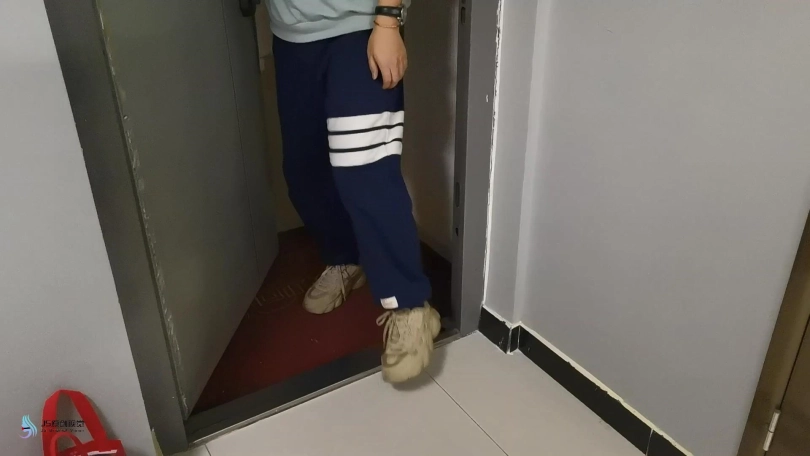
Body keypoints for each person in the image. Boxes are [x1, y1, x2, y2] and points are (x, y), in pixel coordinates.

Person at [265, 0, 440, 383]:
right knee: (305, 170)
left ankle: (409, 305)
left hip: (360, 27)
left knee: (365, 171)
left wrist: (388, 21)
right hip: (291, 34)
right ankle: (344, 259)